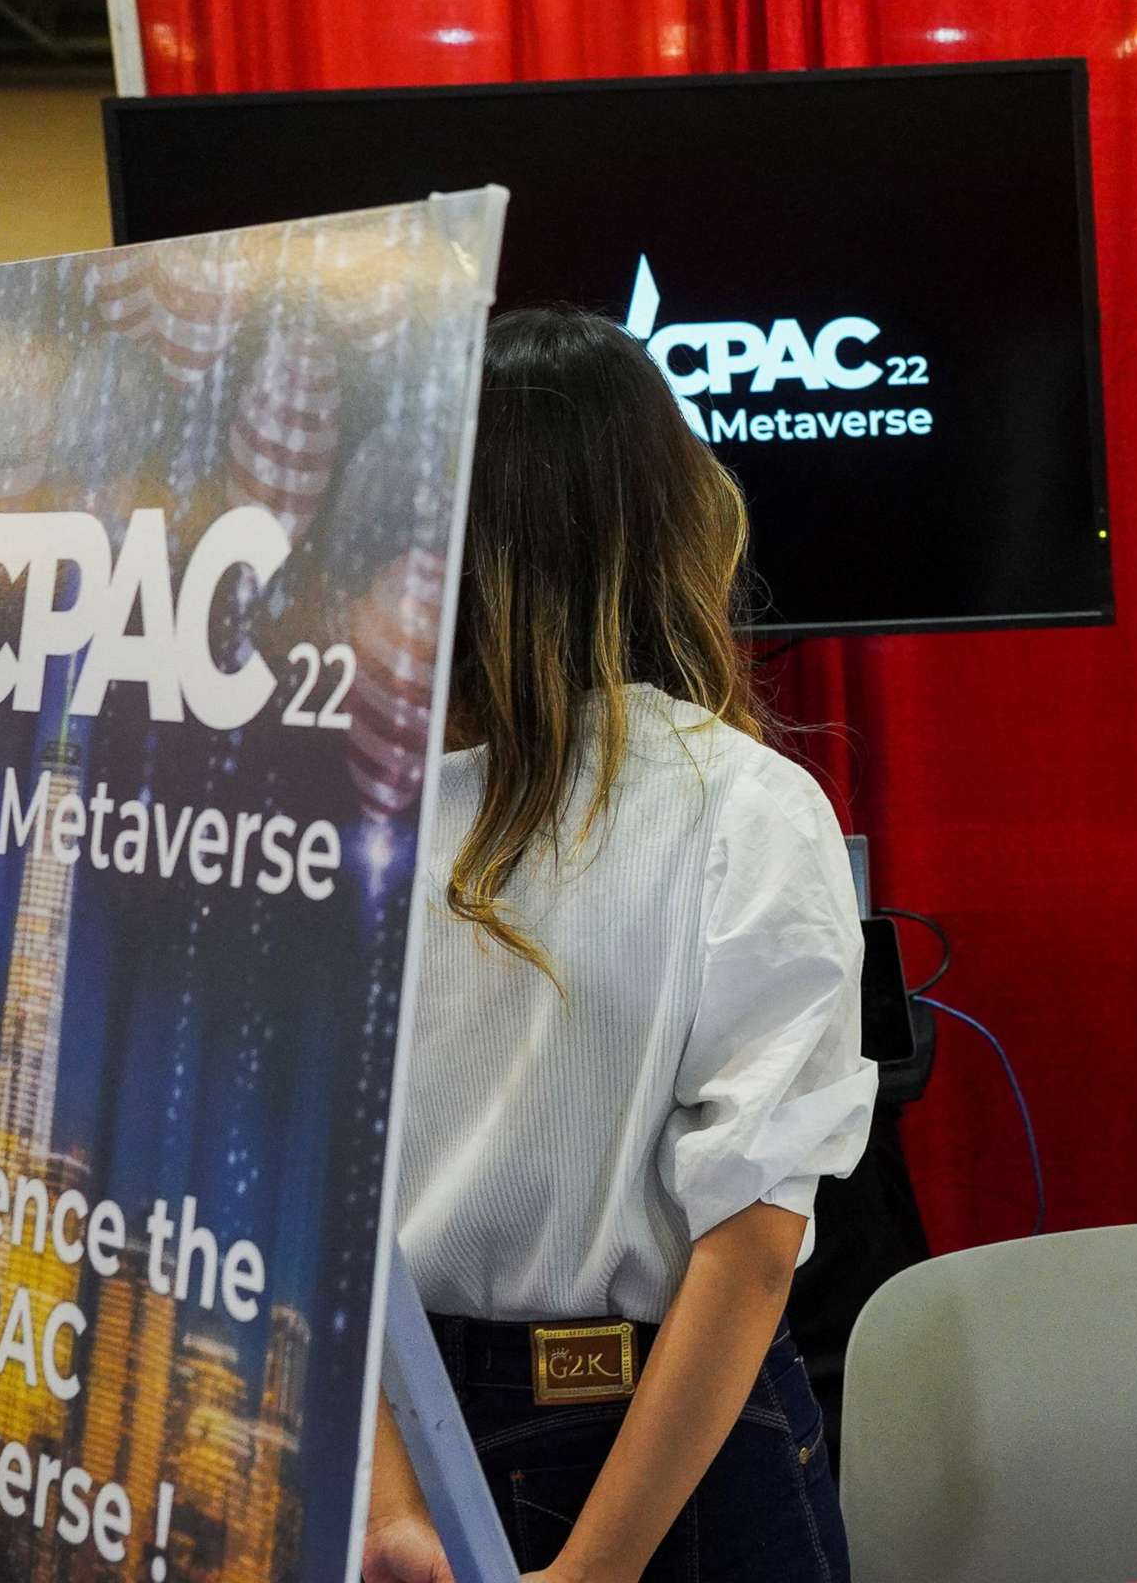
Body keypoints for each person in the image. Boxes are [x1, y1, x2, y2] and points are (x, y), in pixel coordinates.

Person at [361, 307, 877, 1583]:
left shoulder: (336, 808)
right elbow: (751, 1250)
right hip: (651, 1448)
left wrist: (385, 1498)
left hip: (469, 1430)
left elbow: (302, 1200)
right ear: (664, 516)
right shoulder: (743, 807)